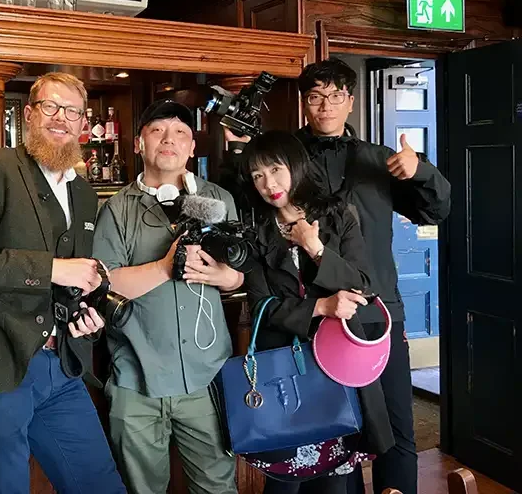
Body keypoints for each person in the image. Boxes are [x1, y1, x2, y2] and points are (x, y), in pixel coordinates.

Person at [224, 59, 451, 494]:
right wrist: (237, 151)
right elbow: (245, 199)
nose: (325, 105)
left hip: (377, 310)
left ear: (350, 101)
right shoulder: (285, 158)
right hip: (312, 320)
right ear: (304, 103)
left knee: (393, 428)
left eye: (335, 95)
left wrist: (419, 169)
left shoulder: (379, 160)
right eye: (315, 96)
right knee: (329, 428)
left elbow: (436, 210)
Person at [0, 72, 126, 494]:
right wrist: (55, 268)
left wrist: (83, 314)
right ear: (30, 115)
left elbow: (70, 282)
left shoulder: (84, 194)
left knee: (100, 484)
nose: (62, 118)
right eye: (51, 107)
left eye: (72, 111)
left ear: (83, 123)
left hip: (62, 368)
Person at [93, 98, 241, 494]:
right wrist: (164, 267)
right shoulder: (116, 210)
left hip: (206, 377)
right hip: (136, 379)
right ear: (140, 143)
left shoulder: (220, 200)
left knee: (217, 488)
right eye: (157, 131)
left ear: (193, 147)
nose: (168, 140)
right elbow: (103, 285)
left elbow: (240, 273)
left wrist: (226, 276)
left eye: (180, 133)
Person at [240, 130, 394, 494]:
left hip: (335, 368)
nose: (269, 184)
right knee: (283, 484)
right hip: (283, 374)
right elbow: (262, 304)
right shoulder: (256, 231)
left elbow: (366, 284)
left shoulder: (338, 216)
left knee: (334, 484)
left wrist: (316, 249)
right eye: (258, 175)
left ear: (295, 167)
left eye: (276, 169)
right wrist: (321, 306)